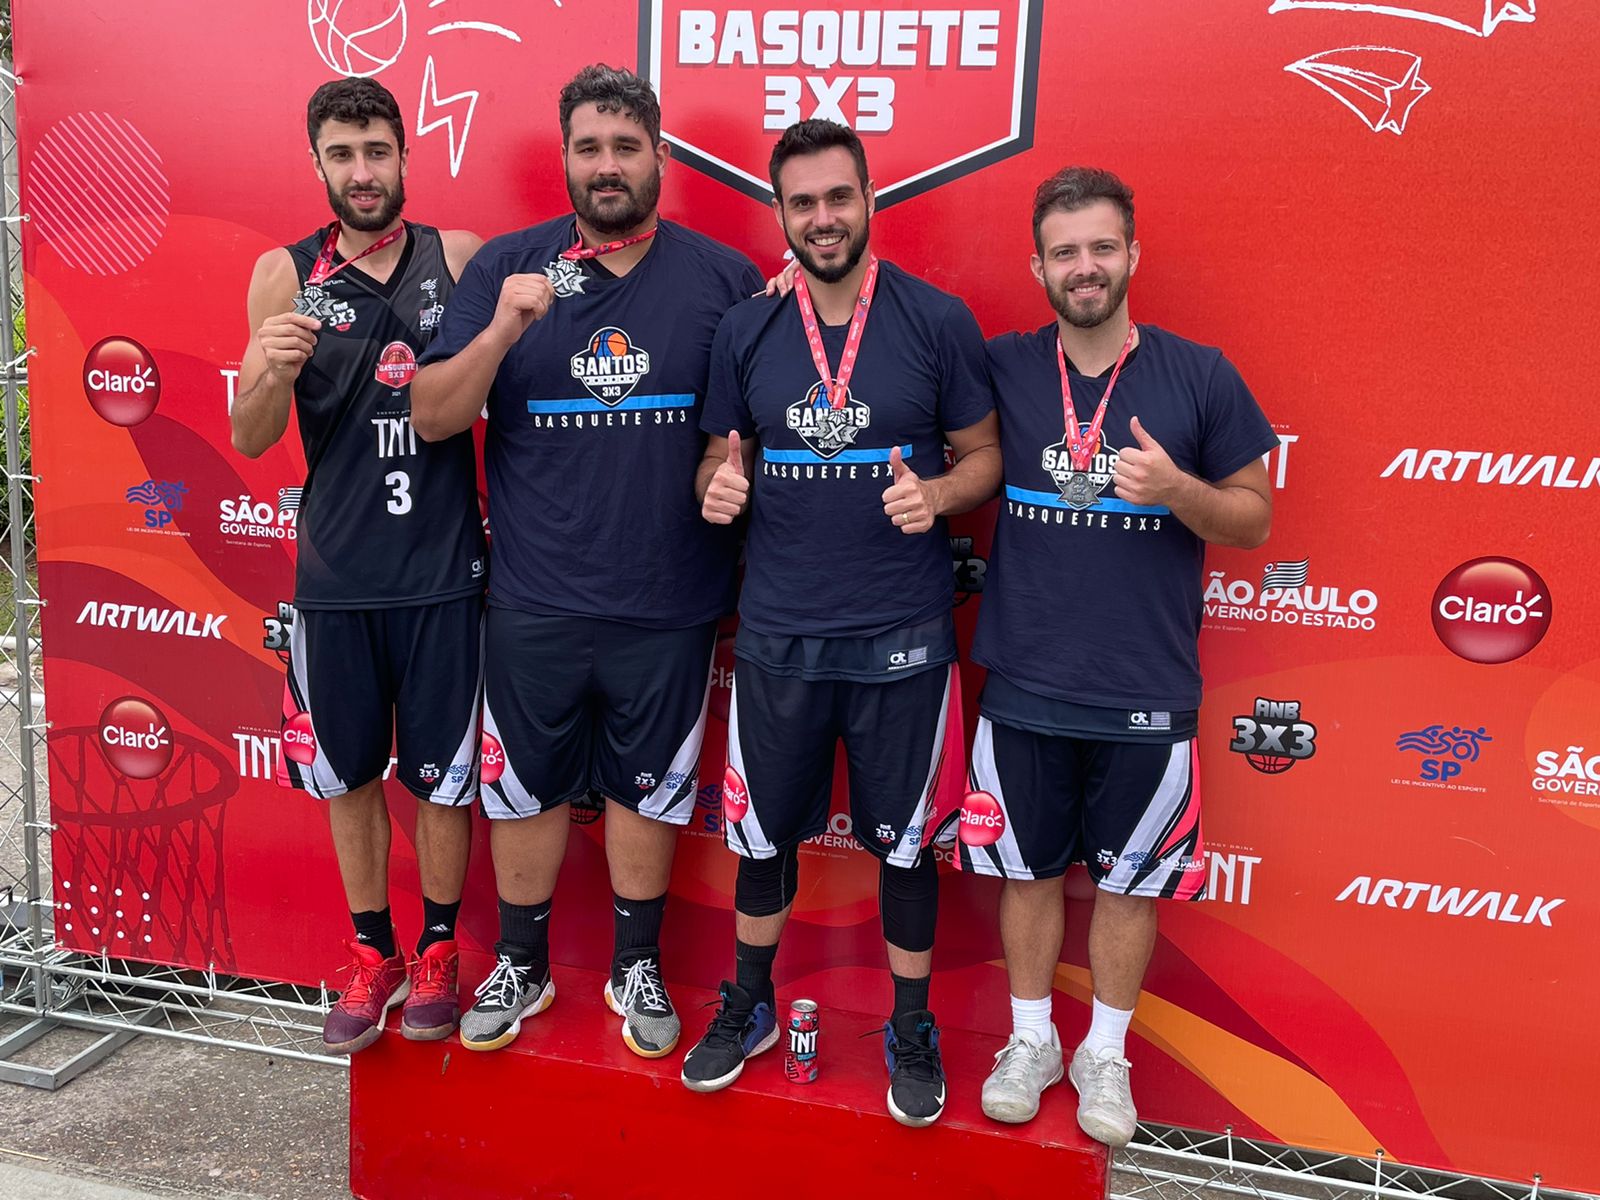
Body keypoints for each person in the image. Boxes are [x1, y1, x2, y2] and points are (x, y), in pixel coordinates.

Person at [409, 65, 763, 1058]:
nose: (607, 166)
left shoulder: (723, 278)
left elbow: (738, 435)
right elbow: (434, 416)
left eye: (625, 146)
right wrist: (503, 327)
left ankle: (634, 964)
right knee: (521, 785)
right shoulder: (508, 271)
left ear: (660, 157)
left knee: (647, 789)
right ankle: (520, 963)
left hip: (670, 596)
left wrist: (718, 476)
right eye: (588, 148)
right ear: (564, 160)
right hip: (534, 593)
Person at [684, 119, 1001, 1128]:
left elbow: (984, 456)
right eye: (802, 202)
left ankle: (911, 1024)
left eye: (837, 197)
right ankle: (749, 1002)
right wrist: (715, 487)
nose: (822, 218)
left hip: (903, 636)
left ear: (870, 200)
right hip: (777, 632)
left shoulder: (937, 321)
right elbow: (714, 458)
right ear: (780, 215)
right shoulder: (747, 329)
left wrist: (941, 497)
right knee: (762, 837)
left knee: (905, 848)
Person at [967, 167, 1275, 1145]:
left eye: (1102, 247)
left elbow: (1254, 518)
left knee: (1130, 882)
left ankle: (1103, 1052)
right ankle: (1030, 1040)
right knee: (1025, 875)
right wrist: (791, 290)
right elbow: (884, 354)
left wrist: (1178, 488)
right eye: (1065, 252)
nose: (1084, 267)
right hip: (1021, 675)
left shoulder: (1199, 374)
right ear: (1038, 267)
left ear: (1132, 255)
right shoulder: (1003, 365)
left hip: (1145, 687)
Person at [230, 78, 487, 1053]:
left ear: (405, 155)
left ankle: (437, 947)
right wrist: (273, 365)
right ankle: (370, 950)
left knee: (442, 780)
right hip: (335, 578)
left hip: (441, 573)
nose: (363, 171)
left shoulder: (452, 257)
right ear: (319, 165)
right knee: (345, 776)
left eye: (377, 151)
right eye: (343, 155)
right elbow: (252, 437)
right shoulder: (281, 274)